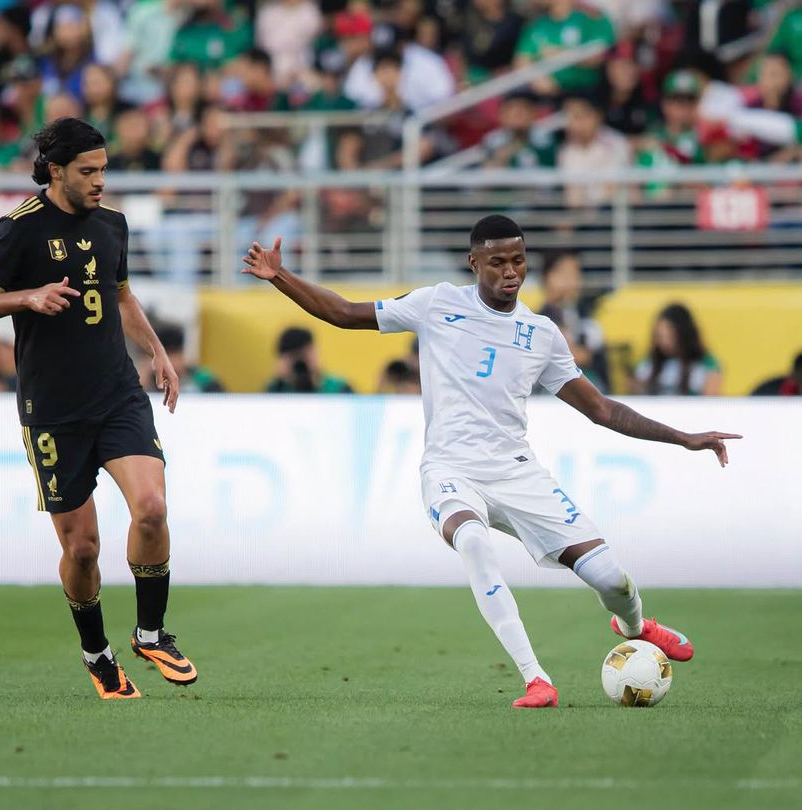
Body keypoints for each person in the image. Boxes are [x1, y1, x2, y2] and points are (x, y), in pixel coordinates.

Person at [242, 216, 741, 709]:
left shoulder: (541, 333)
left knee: (612, 579)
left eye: (519, 261)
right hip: (450, 470)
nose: (511, 272)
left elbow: (602, 409)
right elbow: (346, 313)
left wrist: (684, 438)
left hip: (517, 472)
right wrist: (280, 277)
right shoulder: (437, 303)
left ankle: (637, 628)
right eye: (498, 262)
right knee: (473, 541)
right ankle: (536, 680)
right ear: (474, 262)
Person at [0, 117, 197, 699]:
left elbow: (119, 295)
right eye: (89, 172)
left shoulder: (113, 225)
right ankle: (97, 653)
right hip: (53, 409)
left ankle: (151, 631)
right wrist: (26, 297)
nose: (100, 182)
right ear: (56, 170)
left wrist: (158, 353)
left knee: (152, 508)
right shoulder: (17, 230)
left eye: (104, 170)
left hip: (116, 393)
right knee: (82, 547)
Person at [539, 250, 609, 392]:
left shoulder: (587, 318)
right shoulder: (537, 321)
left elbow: (590, 359)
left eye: (576, 274)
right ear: (547, 277)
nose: (573, 281)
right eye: (565, 274)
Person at [629, 303, 722, 396]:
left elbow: (710, 399)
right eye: (660, 336)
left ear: (685, 334)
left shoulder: (705, 363)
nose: (665, 342)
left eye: (671, 336)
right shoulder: (649, 363)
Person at [265, 327, 353, 393]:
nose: (300, 362)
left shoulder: (339, 388)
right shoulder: (276, 390)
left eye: (304, 354)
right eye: (292, 356)